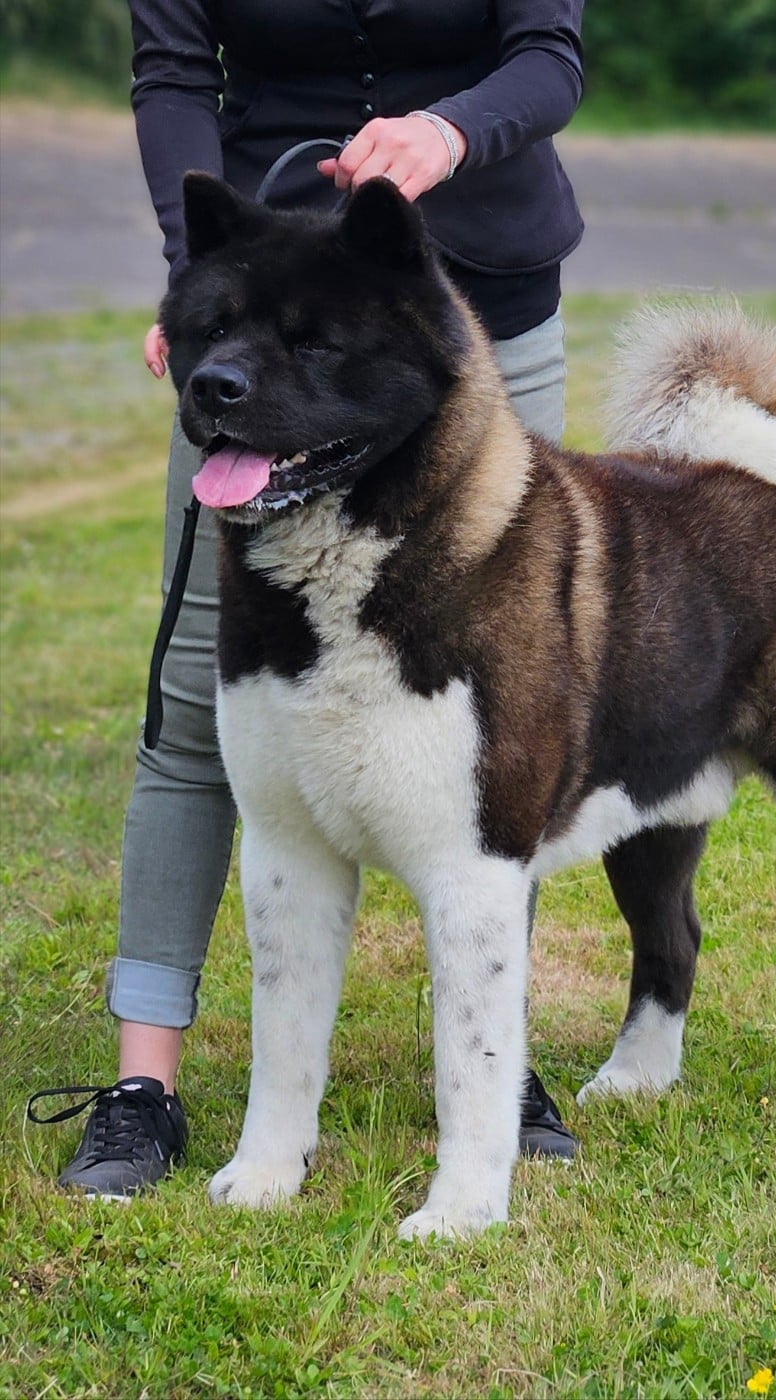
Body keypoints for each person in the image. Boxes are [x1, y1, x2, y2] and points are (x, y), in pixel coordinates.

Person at [31, 0, 585, 1196]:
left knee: (510, 709)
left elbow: (547, 57)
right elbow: (172, 72)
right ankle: (142, 1088)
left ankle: (494, 1070)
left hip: (479, 294)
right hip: (263, 305)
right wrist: (196, 292)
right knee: (196, 699)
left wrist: (447, 132)